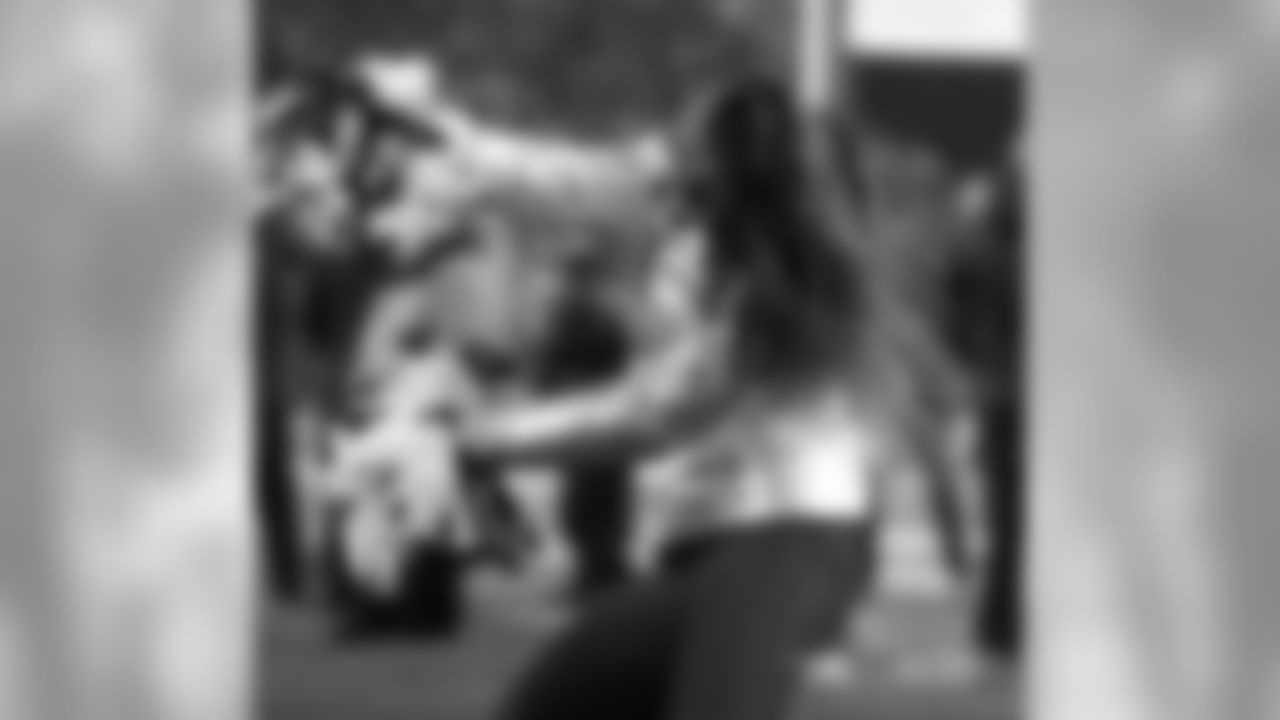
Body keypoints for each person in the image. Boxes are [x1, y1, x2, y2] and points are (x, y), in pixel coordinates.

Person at [449, 75, 887, 720]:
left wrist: (489, 438)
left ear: (732, 172)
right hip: (708, 555)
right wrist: (447, 143)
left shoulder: (776, 292)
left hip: (780, 540)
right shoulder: (708, 239)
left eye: (689, 142)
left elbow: (655, 413)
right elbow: (577, 181)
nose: (663, 154)